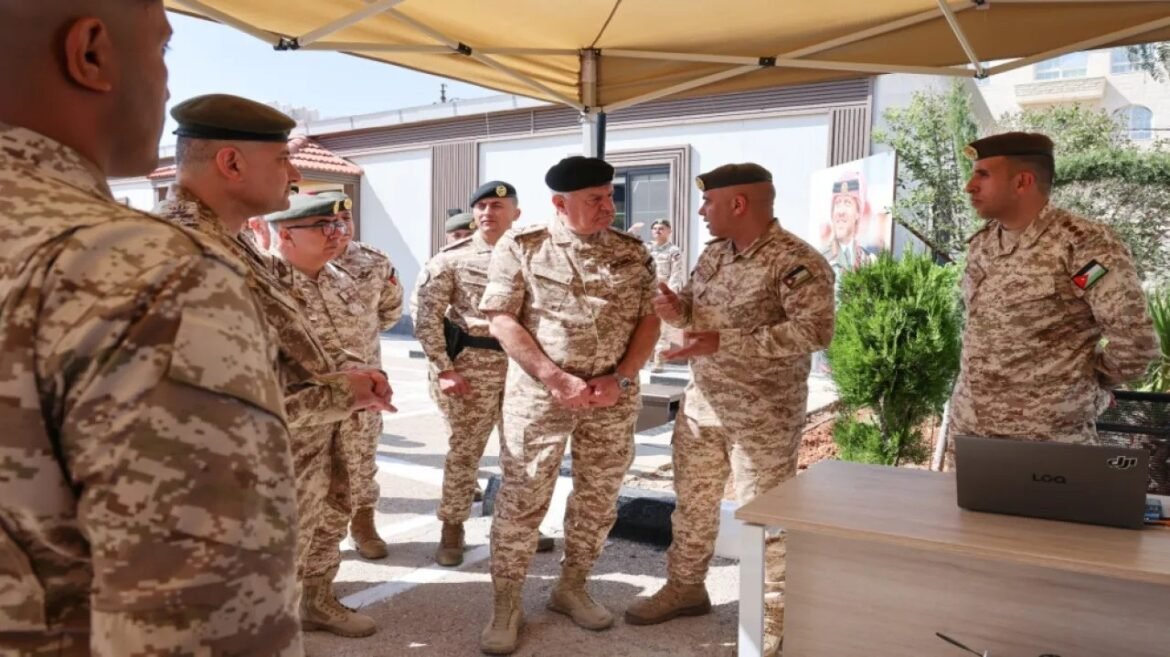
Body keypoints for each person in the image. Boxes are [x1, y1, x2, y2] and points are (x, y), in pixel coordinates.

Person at [0, 5, 303, 655]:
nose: (166, 83)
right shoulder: (140, 270)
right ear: (90, 52)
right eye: (163, 48)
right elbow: (206, 620)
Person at [155, 94, 392, 639]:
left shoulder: (231, 246)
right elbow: (200, 413)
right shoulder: (184, 254)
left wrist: (342, 386)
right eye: (282, 160)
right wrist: (345, 393)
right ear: (231, 162)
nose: (294, 174)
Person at [624, 163, 835, 657]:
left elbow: (815, 331)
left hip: (763, 413)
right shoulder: (715, 253)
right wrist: (675, 307)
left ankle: (773, 615)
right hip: (704, 406)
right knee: (692, 504)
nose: (701, 211)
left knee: (767, 517)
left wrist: (724, 341)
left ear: (738, 204)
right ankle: (686, 587)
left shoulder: (795, 260)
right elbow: (697, 311)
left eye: (709, 202)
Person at [477, 157, 659, 654]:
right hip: (541, 397)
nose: (609, 206)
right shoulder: (523, 246)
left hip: (612, 397)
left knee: (599, 496)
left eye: (610, 195)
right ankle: (507, 601)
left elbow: (649, 320)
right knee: (523, 497)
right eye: (595, 199)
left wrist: (621, 377)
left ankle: (572, 585)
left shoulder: (633, 252)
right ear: (560, 203)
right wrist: (555, 377)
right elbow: (500, 319)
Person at [948, 132, 1159, 460]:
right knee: (960, 514)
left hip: (1046, 439)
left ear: (1022, 181)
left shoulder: (1082, 246)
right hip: (971, 431)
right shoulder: (983, 244)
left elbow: (1136, 345)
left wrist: (1079, 380)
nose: (970, 185)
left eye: (983, 174)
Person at [263, 193, 402, 637]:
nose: (337, 233)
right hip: (296, 427)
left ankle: (318, 599)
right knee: (286, 521)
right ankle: (269, 617)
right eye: (323, 226)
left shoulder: (343, 276)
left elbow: (368, 330)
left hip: (354, 419)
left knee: (337, 506)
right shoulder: (264, 285)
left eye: (339, 225)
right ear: (285, 234)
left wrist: (367, 379)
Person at [411, 180, 554, 568]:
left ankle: (519, 525)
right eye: (482, 206)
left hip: (523, 370)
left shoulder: (536, 256)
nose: (488, 213)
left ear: (516, 214)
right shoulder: (451, 259)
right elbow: (425, 318)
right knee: (465, 454)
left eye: (497, 206)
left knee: (522, 454)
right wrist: (444, 368)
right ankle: (452, 527)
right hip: (472, 367)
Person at [322, 191, 405, 560]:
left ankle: (363, 523)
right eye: (329, 222)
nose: (339, 230)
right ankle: (317, 535)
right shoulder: (287, 262)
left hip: (366, 379)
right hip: (315, 381)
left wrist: (359, 336)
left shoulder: (374, 262)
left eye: (346, 221)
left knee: (362, 456)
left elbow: (390, 312)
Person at [820, 174, 876, 276]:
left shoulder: (869, 260)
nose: (841, 211)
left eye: (847, 203)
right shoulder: (818, 259)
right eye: (837, 203)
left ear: (858, 213)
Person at [647, 219, 685, 371]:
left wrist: (670, 293)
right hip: (646, 292)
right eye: (655, 228)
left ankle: (659, 361)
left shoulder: (673, 251)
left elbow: (676, 274)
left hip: (662, 291)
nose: (657, 231)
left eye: (661, 228)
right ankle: (641, 359)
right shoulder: (646, 249)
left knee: (662, 328)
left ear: (669, 231)